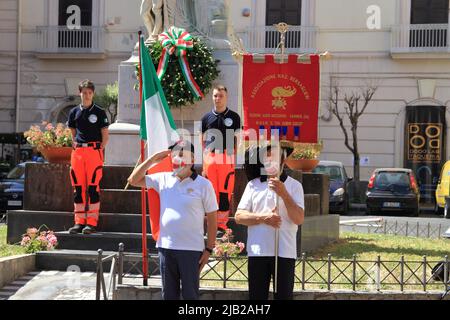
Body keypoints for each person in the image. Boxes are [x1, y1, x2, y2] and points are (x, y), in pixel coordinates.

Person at [127, 140, 218, 300]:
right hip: (166, 248)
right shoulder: (163, 178)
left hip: (191, 250)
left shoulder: (204, 185)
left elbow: (212, 218)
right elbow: (133, 180)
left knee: (190, 295)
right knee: (169, 295)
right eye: (174, 155)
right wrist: (152, 159)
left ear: (192, 159)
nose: (177, 158)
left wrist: (209, 248)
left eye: (182, 154)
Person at [235, 145, 305, 300]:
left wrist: (284, 194)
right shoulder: (253, 185)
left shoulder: (295, 186)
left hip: (284, 252)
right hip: (258, 251)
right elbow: (239, 216)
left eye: (273, 155)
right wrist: (262, 218)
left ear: (282, 159)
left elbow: (299, 218)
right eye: (265, 156)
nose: (269, 159)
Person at [67, 80, 109, 235]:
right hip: (78, 153)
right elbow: (72, 132)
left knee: (92, 188)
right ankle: (79, 222)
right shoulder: (73, 112)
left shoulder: (99, 112)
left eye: (89, 92)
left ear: (93, 93)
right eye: (84, 92)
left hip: (94, 152)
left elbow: (105, 135)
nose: (86, 95)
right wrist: (76, 145)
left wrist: (99, 149)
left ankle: (91, 222)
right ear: (80, 93)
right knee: (78, 188)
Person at [201, 85, 241, 233]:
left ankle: (221, 225)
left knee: (225, 191)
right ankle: (210, 223)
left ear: (226, 97)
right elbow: (202, 139)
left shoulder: (234, 117)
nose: (218, 99)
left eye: (221, 96)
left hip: (227, 158)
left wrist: (231, 157)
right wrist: (205, 159)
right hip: (210, 158)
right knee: (210, 191)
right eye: (215, 96)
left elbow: (237, 139)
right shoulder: (206, 118)